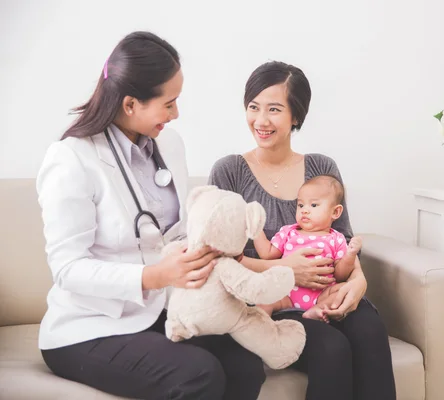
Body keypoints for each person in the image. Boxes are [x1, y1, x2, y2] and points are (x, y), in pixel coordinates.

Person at [37, 31, 265, 400]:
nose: (177, 114)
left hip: (157, 313)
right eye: (169, 103)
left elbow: (172, 232)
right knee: (199, 375)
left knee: (246, 364)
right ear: (130, 104)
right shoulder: (71, 159)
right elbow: (67, 269)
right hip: (89, 327)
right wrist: (155, 276)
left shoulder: (169, 145)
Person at [208, 61, 396, 400]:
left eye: (274, 109)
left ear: (296, 115)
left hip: (331, 291)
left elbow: (343, 240)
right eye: (253, 107)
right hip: (273, 304)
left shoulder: (322, 168)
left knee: (369, 330)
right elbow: (217, 259)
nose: (260, 121)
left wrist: (358, 283)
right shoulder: (229, 172)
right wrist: (283, 268)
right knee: (332, 349)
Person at [253, 174, 362, 322]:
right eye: (301, 205)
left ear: (335, 212)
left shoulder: (336, 238)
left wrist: (350, 255)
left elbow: (340, 275)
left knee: (341, 289)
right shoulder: (288, 232)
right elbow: (267, 254)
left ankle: (318, 309)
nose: (304, 210)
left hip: (322, 294)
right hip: (287, 293)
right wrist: (256, 230)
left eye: (314, 205)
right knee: (264, 299)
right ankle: (258, 325)